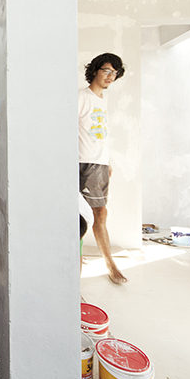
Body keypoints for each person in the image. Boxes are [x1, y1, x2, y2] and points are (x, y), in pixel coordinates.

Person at [78, 52, 127, 284]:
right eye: (106, 70)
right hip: (83, 163)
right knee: (90, 214)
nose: (110, 76)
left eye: (114, 73)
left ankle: (101, 260)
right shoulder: (81, 97)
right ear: (95, 70)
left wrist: (107, 161)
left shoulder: (102, 100)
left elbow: (99, 136)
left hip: (99, 164)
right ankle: (110, 265)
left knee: (100, 213)